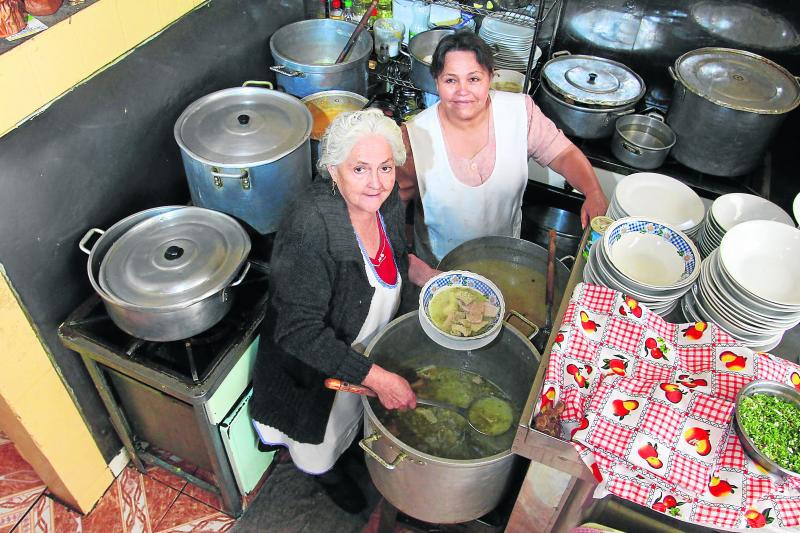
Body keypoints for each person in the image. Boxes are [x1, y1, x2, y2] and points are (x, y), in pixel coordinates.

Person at [250, 109, 431, 515]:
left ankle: (348, 447)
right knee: (321, 436)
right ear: (333, 170)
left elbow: (395, 255)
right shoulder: (310, 229)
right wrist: (381, 378)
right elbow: (299, 333)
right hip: (315, 369)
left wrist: (432, 277)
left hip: (365, 351)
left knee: (356, 410)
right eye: (360, 168)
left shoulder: (385, 203)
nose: (376, 182)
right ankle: (326, 474)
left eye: (385, 167)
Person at [397, 31, 609, 266]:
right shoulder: (415, 135)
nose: (462, 91)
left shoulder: (519, 112)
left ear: (491, 76)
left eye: (474, 79)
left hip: (504, 262)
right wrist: (404, 258)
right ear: (436, 81)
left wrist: (593, 191)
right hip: (438, 270)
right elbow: (397, 204)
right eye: (450, 80)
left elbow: (563, 153)